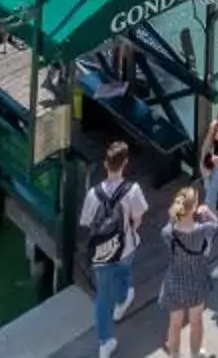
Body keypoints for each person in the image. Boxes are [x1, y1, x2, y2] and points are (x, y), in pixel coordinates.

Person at [80, 140, 148, 358]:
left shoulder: (93, 193)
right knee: (124, 272)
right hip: (126, 247)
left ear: (105, 164)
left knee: (102, 297)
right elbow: (138, 218)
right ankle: (122, 300)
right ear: (125, 163)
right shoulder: (133, 190)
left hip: (101, 254)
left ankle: (105, 342)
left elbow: (86, 222)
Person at [159, 183, 218, 358]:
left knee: (175, 324)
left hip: (175, 282)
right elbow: (217, 225)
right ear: (194, 207)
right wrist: (207, 212)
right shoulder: (203, 230)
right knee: (196, 321)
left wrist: (177, 216)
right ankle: (195, 354)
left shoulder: (168, 233)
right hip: (196, 281)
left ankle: (175, 355)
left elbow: (169, 224)